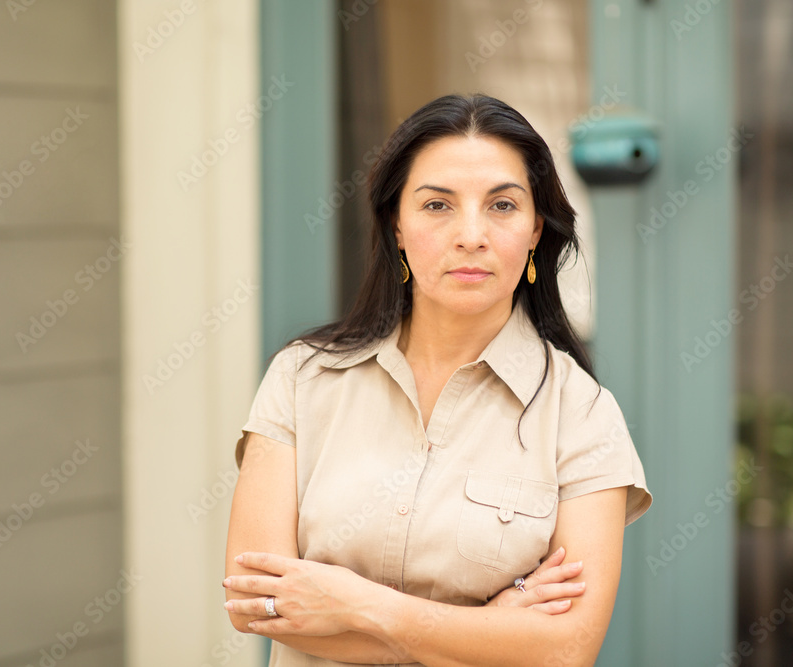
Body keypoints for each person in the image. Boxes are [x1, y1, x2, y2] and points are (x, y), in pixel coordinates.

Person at [223, 93, 652, 667]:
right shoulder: (303, 378)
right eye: (437, 206)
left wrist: (355, 605)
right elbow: (257, 605)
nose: (470, 235)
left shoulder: (582, 414)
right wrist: (487, 631)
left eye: (502, 205)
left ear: (535, 233)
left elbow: (566, 650)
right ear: (396, 225)